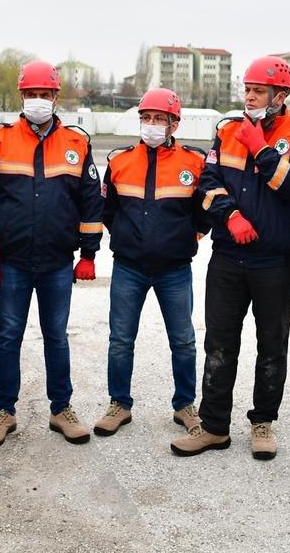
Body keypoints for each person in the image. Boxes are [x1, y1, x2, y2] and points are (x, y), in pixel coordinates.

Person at [172, 55, 290, 460]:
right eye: (248, 89)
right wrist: (231, 215)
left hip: (276, 260)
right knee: (219, 343)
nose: (251, 97)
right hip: (228, 256)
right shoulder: (228, 130)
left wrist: (261, 150)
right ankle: (215, 426)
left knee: (272, 344)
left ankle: (262, 423)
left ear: (281, 95)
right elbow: (208, 180)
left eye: (258, 91)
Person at [0, 60, 104, 448]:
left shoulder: (77, 142)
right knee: (9, 335)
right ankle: (4, 411)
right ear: (21, 96)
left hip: (57, 261)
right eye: (31, 94)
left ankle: (61, 409)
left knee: (56, 336)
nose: (38, 101)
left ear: (56, 97)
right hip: (11, 262)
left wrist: (89, 253)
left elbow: (91, 202)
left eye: (44, 94)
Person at [93, 88, 207, 437]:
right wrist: (127, 239)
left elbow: (206, 210)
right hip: (129, 267)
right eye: (146, 118)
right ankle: (119, 404)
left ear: (174, 123)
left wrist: (189, 238)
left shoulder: (194, 162)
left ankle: (185, 405)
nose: (152, 124)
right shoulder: (119, 160)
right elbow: (108, 211)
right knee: (121, 339)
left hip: (174, 268)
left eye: (159, 119)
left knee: (184, 340)